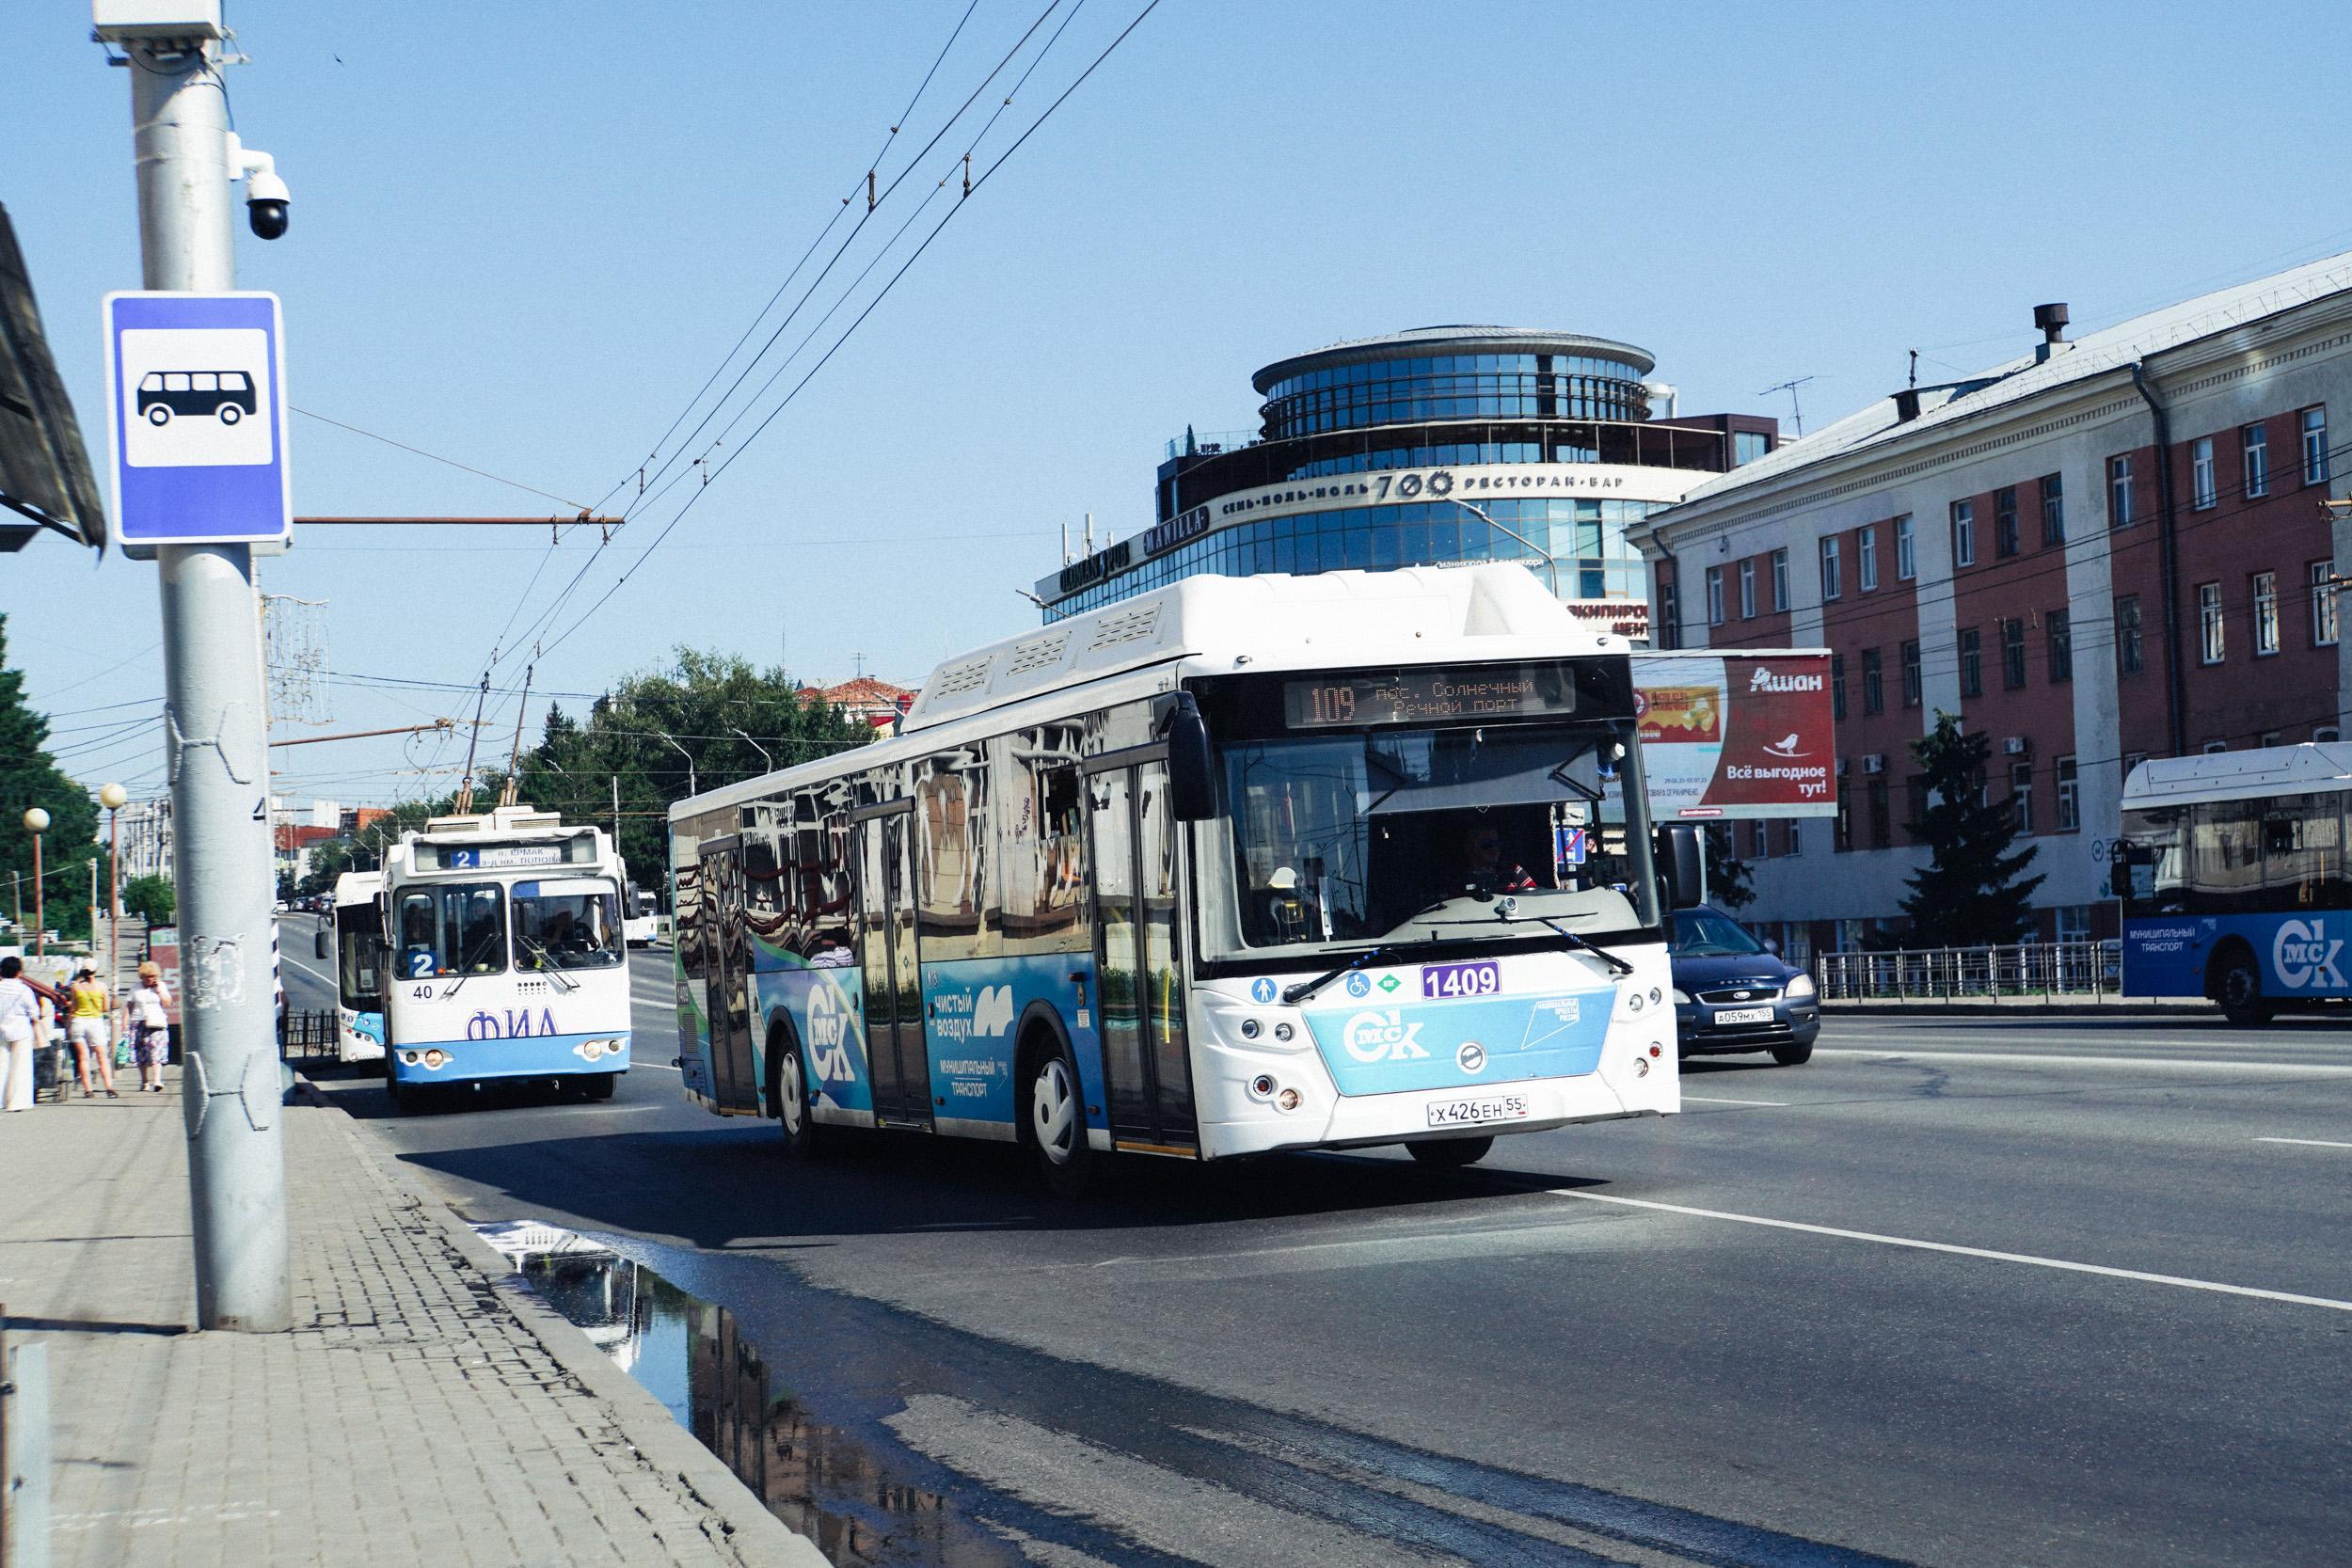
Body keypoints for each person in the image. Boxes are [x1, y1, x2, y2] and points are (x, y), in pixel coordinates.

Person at [69, 967, 119, 1099]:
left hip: (78, 1022)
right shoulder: (101, 986)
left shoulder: (75, 987)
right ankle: (109, 1088)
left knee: (83, 1057)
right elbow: (105, 1008)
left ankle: (88, 1090)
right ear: (95, 971)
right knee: (102, 1056)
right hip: (95, 1022)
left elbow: (73, 1006)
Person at [0, 957, 41, 1113]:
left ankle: (1, 1100)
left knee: (2, 1065)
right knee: (20, 1067)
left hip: (1, 1031)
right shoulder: (24, 990)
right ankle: (16, 1102)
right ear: (19, 972)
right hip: (20, 1030)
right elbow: (34, 1012)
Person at [127, 960, 173, 1094]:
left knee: (156, 1051)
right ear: (142, 976)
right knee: (141, 1053)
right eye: (148, 977)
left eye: (154, 976)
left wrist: (158, 991)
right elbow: (130, 1005)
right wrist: (129, 1021)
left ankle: (157, 1080)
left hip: (157, 1023)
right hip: (140, 1021)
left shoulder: (161, 986)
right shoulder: (136, 987)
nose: (151, 979)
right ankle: (144, 1081)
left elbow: (167, 1002)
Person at [1461, 822, 1537, 895]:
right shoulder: (1459, 878)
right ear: (1471, 847)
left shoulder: (1512, 870)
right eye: (1487, 844)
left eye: (1497, 843)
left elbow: (1533, 897)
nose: (1495, 848)